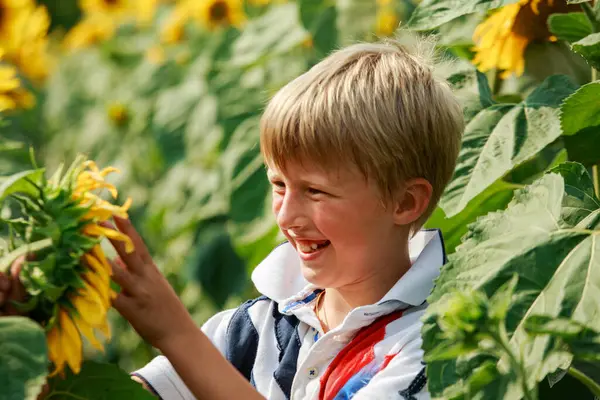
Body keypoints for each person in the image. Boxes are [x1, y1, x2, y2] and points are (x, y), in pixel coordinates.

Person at [0, 38, 464, 400]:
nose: (286, 215)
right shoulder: (256, 329)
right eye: (279, 185)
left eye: (316, 191)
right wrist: (31, 340)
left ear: (405, 203)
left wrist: (174, 332)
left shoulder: (433, 348)